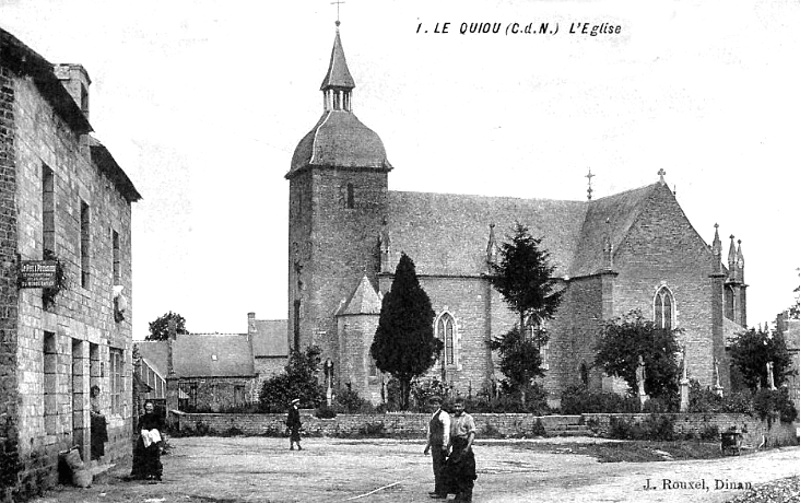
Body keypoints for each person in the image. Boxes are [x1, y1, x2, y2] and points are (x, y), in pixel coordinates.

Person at [442, 397, 477, 503]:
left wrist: (467, 447)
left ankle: (466, 497)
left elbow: (472, 433)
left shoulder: (468, 418)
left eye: (459, 406)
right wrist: (448, 447)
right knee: (452, 472)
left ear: (463, 407)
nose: (457, 408)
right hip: (455, 447)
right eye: (455, 406)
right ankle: (457, 496)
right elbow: (451, 435)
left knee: (465, 473)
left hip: (464, 446)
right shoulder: (452, 418)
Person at [423, 396, 451, 499]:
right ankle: (437, 489)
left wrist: (445, 445)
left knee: (441, 468)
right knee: (436, 468)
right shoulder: (433, 415)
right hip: (434, 445)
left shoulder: (443, 415)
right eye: (432, 403)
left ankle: (442, 492)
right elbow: (430, 433)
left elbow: (446, 431)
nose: (434, 405)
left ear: (440, 404)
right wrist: (427, 445)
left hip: (440, 446)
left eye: (436, 403)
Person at [132, 400, 164, 481]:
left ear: (153, 408)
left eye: (150, 407)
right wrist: (142, 432)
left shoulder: (157, 417)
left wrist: (154, 431)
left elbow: (161, 426)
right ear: (145, 408)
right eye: (147, 407)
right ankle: (143, 473)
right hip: (144, 438)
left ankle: (155, 473)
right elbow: (139, 426)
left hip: (153, 438)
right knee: (142, 455)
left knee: (154, 456)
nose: (148, 408)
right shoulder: (143, 417)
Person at [89, 385, 108, 461]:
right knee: (95, 438)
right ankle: (94, 454)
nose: (96, 393)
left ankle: (100, 453)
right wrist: (98, 416)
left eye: (97, 392)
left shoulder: (97, 399)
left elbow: (100, 408)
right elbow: (91, 411)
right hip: (94, 421)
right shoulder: (90, 399)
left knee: (100, 437)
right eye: (95, 391)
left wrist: (101, 415)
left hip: (99, 420)